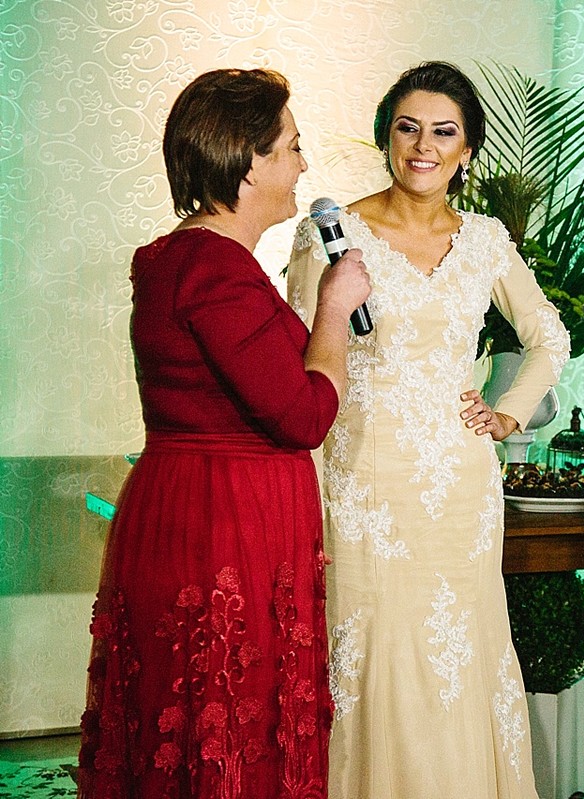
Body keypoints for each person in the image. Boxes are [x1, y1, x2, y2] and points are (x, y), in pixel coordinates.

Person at [78, 68, 371, 798]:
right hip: (224, 525)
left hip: (191, 506)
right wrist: (335, 312)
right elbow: (304, 416)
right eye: (291, 146)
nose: (303, 163)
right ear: (248, 162)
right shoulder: (215, 269)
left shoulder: (187, 259)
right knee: (227, 735)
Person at [286, 61, 569, 798]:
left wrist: (508, 412)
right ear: (386, 138)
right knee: (373, 646)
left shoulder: (485, 240)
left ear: (467, 149)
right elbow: (297, 356)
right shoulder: (332, 234)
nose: (423, 146)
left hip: (460, 489)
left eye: (444, 132)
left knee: (457, 650)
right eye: (408, 128)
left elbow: (549, 336)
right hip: (363, 482)